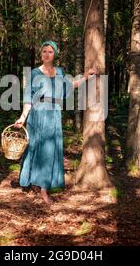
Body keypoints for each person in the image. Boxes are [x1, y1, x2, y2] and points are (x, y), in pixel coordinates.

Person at [14, 40, 97, 204]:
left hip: (54, 114)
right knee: (35, 147)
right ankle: (37, 183)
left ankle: (44, 187)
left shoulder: (59, 72)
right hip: (37, 115)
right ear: (41, 54)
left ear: (55, 55)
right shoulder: (34, 73)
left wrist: (86, 77)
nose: (46, 54)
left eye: (50, 52)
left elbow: (69, 86)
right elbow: (28, 98)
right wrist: (23, 117)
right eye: (44, 51)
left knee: (50, 150)